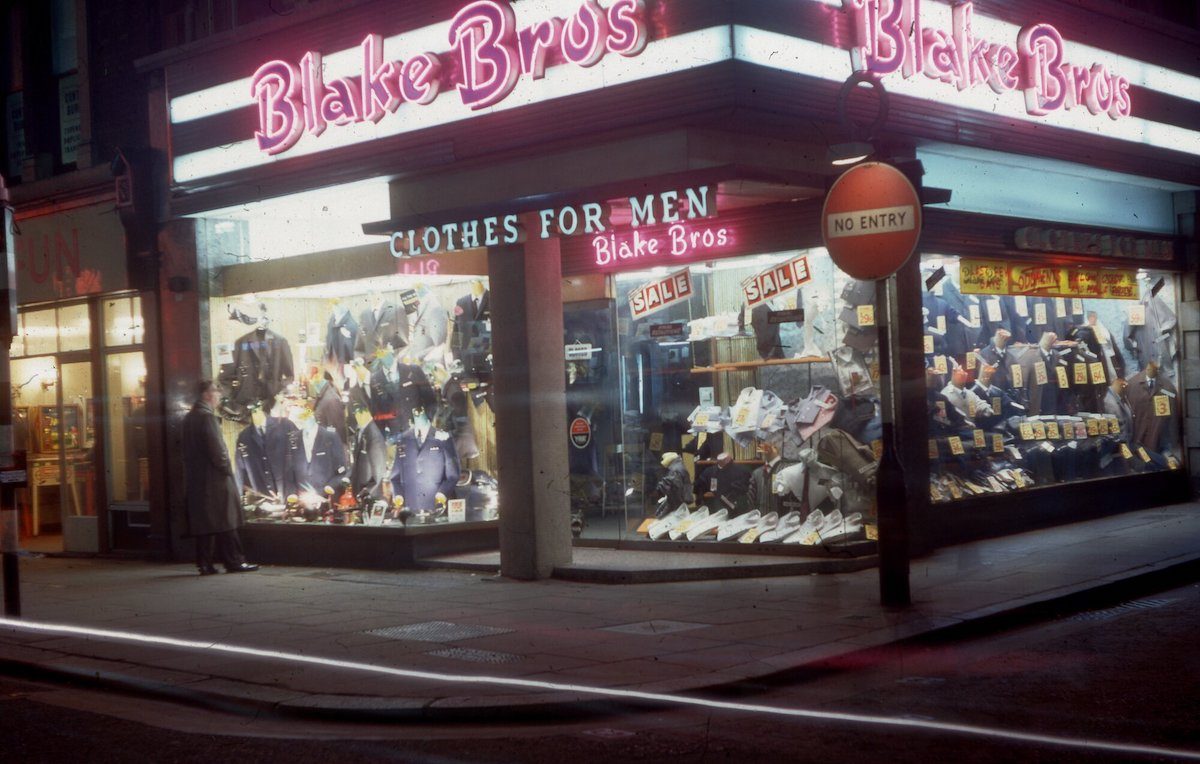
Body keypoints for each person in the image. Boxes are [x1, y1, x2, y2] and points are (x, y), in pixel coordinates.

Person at [183, 379, 259, 575]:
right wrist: (227, 470)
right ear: (207, 395)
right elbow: (217, 450)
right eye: (217, 393)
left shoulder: (190, 417)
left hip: (198, 479)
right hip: (215, 478)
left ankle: (205, 563)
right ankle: (234, 561)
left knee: (207, 522)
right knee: (227, 519)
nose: (219, 397)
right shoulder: (207, 418)